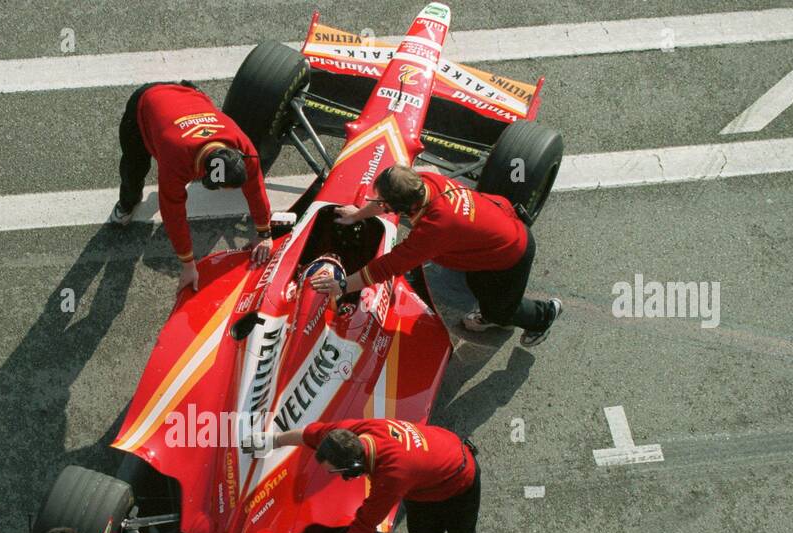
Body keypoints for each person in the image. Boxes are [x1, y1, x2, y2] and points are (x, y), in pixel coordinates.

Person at [310, 163, 562, 346]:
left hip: (510, 253)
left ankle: (544, 315)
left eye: (383, 201)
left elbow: (387, 267)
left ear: (403, 205)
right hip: (489, 236)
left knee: (502, 310)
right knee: (476, 283)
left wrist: (342, 286)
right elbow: (386, 203)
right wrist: (355, 215)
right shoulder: (421, 181)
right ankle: (492, 309)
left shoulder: (436, 228)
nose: (377, 203)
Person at [250, 418, 480, 533]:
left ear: (355, 467)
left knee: (461, 532)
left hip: (459, 478)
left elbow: (362, 528)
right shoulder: (347, 434)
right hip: (434, 459)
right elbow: (310, 434)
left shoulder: (392, 476)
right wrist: (274, 440)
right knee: (420, 530)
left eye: (336, 472)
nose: (337, 477)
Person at [111, 81, 274, 291]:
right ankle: (127, 204)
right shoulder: (176, 159)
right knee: (134, 167)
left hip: (187, 94)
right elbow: (173, 213)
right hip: (146, 102)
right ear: (206, 176)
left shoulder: (241, 144)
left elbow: (255, 185)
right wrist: (188, 264)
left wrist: (264, 232)